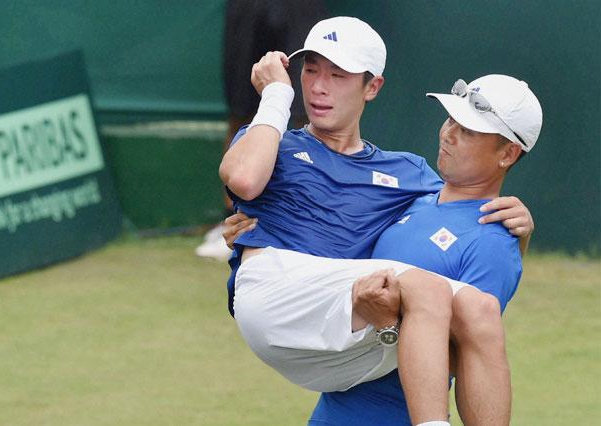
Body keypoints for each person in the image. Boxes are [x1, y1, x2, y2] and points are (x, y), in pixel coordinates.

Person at [219, 16, 535, 426]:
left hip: (346, 337)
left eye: (338, 75)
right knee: (428, 289)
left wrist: (520, 231)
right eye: (310, 70)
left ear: (372, 86)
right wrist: (276, 96)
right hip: (276, 298)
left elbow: (461, 215)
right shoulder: (273, 139)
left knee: (472, 307)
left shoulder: (409, 176)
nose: (318, 86)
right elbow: (243, 180)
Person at [195, 0, 326, 261]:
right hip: (248, 8)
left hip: (301, 8)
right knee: (241, 111)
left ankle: (307, 226)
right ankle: (234, 222)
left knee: (307, 116)